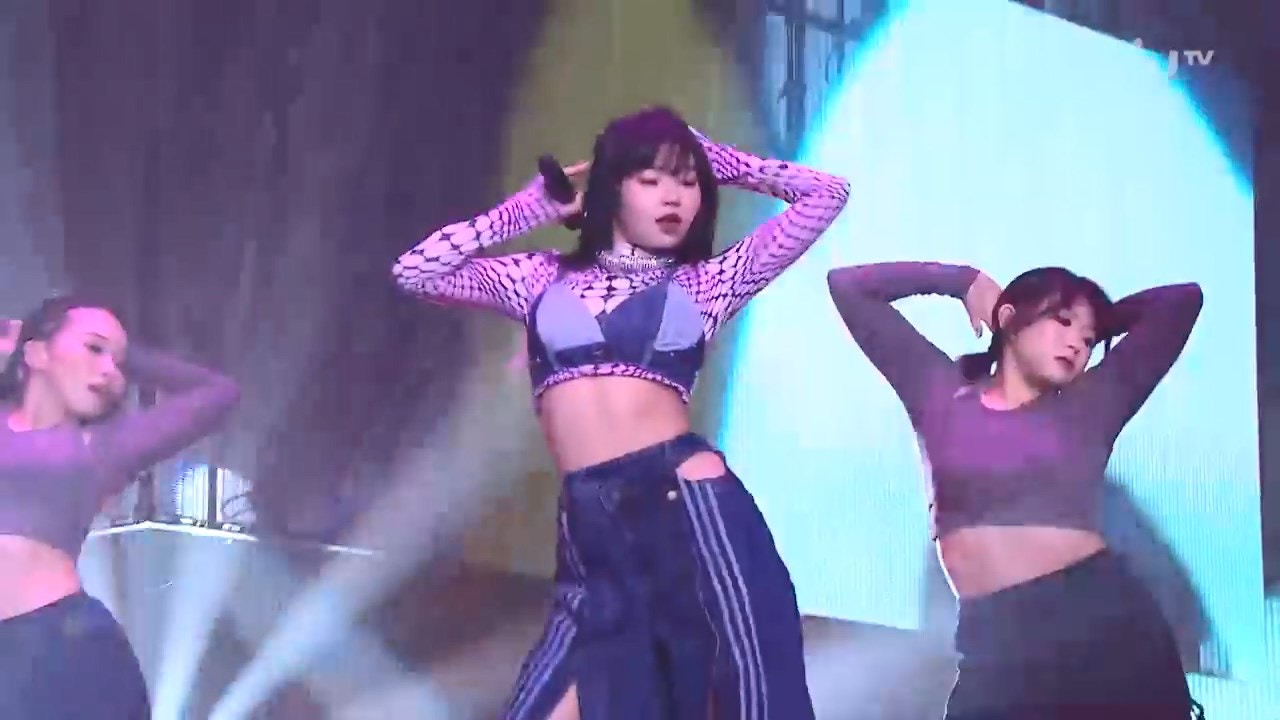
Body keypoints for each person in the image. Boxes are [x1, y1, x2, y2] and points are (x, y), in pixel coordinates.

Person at [393, 106, 850, 719]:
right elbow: (416, 272)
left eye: (689, 181)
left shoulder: (707, 283)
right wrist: (522, 213)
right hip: (592, 530)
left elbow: (826, 196)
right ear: (612, 188)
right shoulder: (538, 277)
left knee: (743, 695)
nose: (675, 196)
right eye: (651, 179)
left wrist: (726, 162)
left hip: (686, 506)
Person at [826, 262, 1203, 719]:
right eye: (1062, 322)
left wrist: (1106, 320)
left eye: (1088, 340)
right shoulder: (939, 393)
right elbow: (849, 288)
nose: (1077, 344)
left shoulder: (1093, 403)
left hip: (1104, 628)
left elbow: (1182, 300)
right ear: (1007, 318)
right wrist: (961, 281)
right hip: (994, 639)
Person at [0, 297, 240, 719]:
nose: (110, 370)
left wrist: (130, 357)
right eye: (94, 348)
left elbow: (219, 394)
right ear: (38, 354)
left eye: (118, 363)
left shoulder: (103, 448)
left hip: (59, 650)